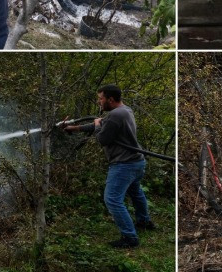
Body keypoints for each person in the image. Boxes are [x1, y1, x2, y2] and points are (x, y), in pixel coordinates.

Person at [65, 84, 155, 249]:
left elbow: (102, 139)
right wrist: (75, 128)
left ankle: (130, 237)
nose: (99, 102)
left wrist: (98, 125)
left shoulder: (115, 115)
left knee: (112, 200)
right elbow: (99, 126)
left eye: (101, 98)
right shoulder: (124, 110)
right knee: (136, 193)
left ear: (110, 99)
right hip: (136, 162)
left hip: (123, 165)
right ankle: (144, 221)